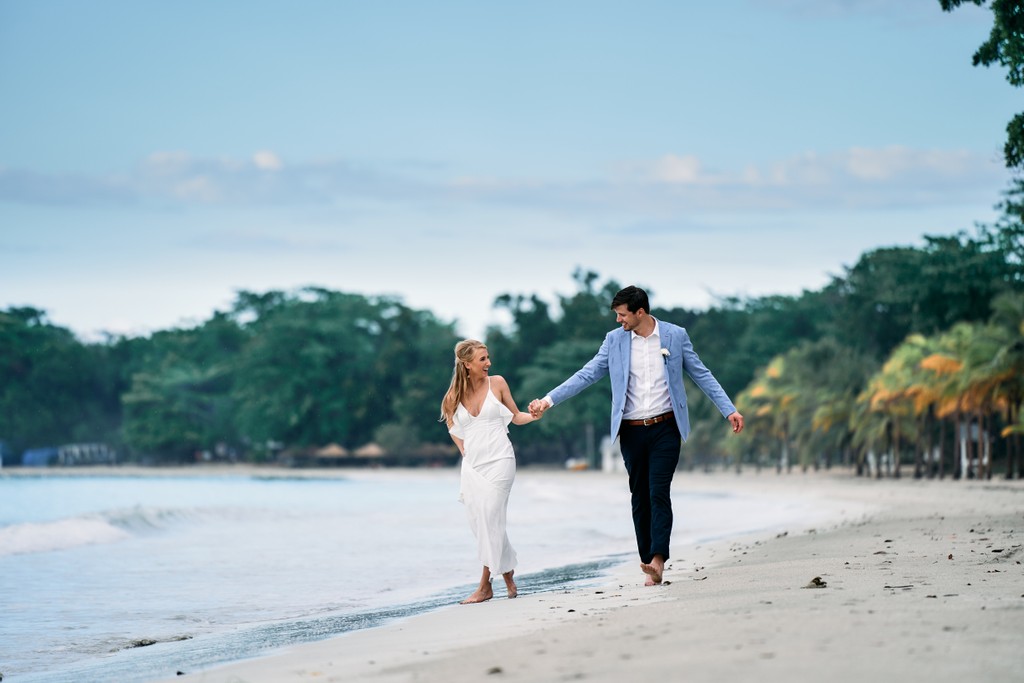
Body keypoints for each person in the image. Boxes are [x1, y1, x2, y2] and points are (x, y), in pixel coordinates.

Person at [529, 285, 743, 586]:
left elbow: (701, 373)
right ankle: (647, 561)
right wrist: (548, 401)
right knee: (640, 496)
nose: (618, 320)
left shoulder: (675, 335)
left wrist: (728, 409)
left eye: (622, 315)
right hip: (630, 430)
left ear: (640, 312)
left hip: (666, 426)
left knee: (658, 492)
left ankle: (658, 560)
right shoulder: (614, 340)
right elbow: (586, 374)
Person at [440, 339, 538, 604]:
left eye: (488, 357)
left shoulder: (498, 383)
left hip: (501, 459)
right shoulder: (452, 397)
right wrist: (463, 450)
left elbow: (516, 417)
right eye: (482, 359)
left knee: (490, 516)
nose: (488, 363)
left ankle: (485, 586)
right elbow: (452, 427)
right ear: (466, 364)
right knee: (482, 523)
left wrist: (535, 415)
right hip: (473, 466)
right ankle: (507, 572)